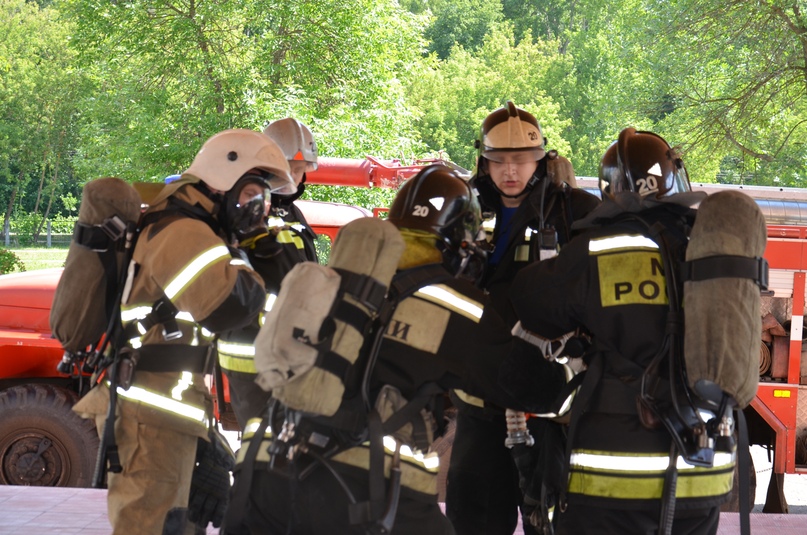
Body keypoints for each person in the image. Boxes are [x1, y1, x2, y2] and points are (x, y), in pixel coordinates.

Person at [229, 164, 517, 535]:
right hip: (363, 488)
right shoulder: (456, 304)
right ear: (460, 243)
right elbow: (523, 384)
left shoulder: (336, 280)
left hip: (267, 468)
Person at [502, 128, 737, 534]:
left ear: (610, 190)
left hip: (613, 478)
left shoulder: (598, 250)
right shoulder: (708, 248)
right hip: (704, 469)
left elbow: (529, 297)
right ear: (675, 179)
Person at [72, 128, 296, 535]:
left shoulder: (195, 229)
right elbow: (231, 306)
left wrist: (206, 436)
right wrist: (246, 256)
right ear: (220, 180)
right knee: (150, 527)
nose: (255, 210)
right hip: (148, 419)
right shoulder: (184, 232)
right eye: (249, 195)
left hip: (166, 413)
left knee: (175, 527)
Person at [445, 101, 600, 535]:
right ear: (484, 161)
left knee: (548, 518)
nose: (510, 171)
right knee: (471, 519)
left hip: (546, 402)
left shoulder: (575, 213)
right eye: (500, 161)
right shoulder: (460, 211)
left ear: (542, 160)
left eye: (522, 160)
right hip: (480, 399)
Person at [215, 163, 311, 431]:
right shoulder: (228, 240)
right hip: (250, 362)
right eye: (248, 194)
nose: (257, 203)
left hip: (287, 358)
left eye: (262, 196)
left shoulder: (285, 228)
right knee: (262, 449)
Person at [263, 117, 321, 262]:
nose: (293, 175)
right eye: (287, 167)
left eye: (299, 169)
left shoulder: (294, 213)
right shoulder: (253, 209)